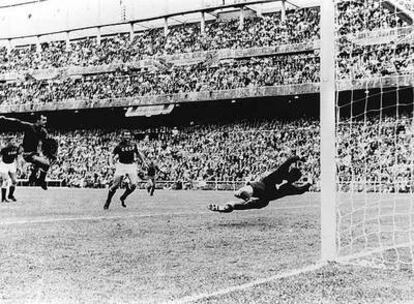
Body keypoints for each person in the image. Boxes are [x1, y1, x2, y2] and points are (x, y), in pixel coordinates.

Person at [208, 156, 311, 213]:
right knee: (242, 206)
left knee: (251, 188)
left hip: (262, 186)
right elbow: (301, 190)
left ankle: (242, 193)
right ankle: (228, 206)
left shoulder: (281, 173)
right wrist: (309, 183)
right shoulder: (290, 188)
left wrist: (299, 158)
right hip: (265, 199)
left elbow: (289, 161)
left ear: (289, 171)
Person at [0, 114, 50, 190]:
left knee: (45, 163)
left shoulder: (43, 131)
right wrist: (5, 119)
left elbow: (46, 142)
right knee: (46, 164)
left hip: (36, 154)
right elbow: (17, 122)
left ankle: (34, 178)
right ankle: (40, 180)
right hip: (28, 154)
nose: (45, 122)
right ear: (38, 121)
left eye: (45, 120)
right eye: (43, 120)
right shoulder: (29, 127)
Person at [104, 130, 147, 210]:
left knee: (134, 185)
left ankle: (123, 197)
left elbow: (138, 153)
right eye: (125, 135)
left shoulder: (133, 144)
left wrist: (144, 162)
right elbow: (111, 156)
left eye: (128, 135)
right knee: (115, 185)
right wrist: (111, 164)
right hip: (121, 165)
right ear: (122, 136)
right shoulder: (119, 146)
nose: (127, 137)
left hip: (131, 165)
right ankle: (108, 201)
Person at [0, 137, 23, 202]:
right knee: (5, 181)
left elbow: (17, 158)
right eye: (13, 141)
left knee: (15, 181)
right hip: (4, 165)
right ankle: (3, 198)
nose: (14, 142)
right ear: (9, 142)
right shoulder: (5, 149)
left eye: (15, 141)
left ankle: (10, 195)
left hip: (12, 164)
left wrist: (19, 167)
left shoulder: (16, 148)